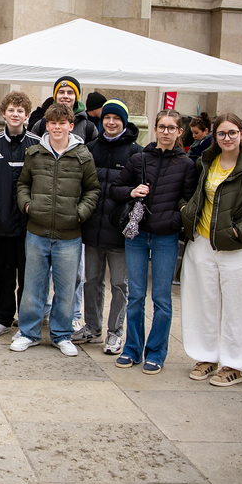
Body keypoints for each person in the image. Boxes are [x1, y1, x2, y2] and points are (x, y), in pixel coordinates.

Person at [180, 113, 242, 386]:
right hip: (201, 245)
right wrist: (186, 211)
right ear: (215, 136)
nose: (227, 138)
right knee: (202, 304)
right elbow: (190, 194)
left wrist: (237, 233)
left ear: (241, 135)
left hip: (236, 249)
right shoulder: (205, 163)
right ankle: (206, 357)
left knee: (240, 307)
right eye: (222, 133)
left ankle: (235, 364)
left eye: (232, 132)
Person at [109, 108, 196, 374]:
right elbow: (115, 190)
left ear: (179, 132)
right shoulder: (139, 159)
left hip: (165, 237)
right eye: (162, 127)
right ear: (155, 129)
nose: (166, 132)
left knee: (162, 298)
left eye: (171, 128)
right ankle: (132, 349)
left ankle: (156, 352)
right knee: (136, 295)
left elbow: (189, 200)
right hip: (137, 235)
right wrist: (132, 191)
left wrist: (175, 218)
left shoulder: (186, 165)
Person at [11, 102, 100, 357]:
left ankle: (61, 335)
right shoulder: (34, 153)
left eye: (62, 123)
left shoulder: (83, 156)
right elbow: (23, 184)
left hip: (69, 235)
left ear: (71, 126)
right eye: (52, 123)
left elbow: (93, 190)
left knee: (66, 289)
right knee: (33, 286)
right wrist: (27, 206)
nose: (57, 127)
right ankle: (29, 333)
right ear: (46, 126)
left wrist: (79, 213)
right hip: (37, 232)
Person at [75, 100, 142, 355]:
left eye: (116, 118)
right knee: (92, 281)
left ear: (124, 121)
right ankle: (92, 327)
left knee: (119, 285)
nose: (111, 122)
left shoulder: (136, 153)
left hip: (119, 230)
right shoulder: (91, 148)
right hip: (93, 227)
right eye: (107, 118)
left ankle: (115, 332)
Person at [0, 91, 39, 338]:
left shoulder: (37, 144)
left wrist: (37, 211)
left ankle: (26, 320)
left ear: (27, 115)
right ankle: (2, 317)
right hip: (0, 224)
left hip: (30, 225)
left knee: (29, 274)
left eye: (20, 111)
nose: (15, 114)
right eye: (11, 110)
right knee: (1, 272)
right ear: (3, 113)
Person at [31, 76, 99, 144]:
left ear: (76, 97)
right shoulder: (41, 125)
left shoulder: (88, 128)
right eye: (61, 92)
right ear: (55, 96)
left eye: (70, 93)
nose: (65, 96)